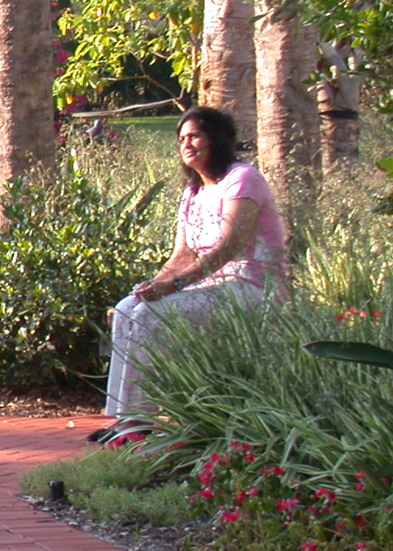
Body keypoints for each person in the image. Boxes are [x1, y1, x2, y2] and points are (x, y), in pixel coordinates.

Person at [93, 106, 288, 442]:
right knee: (129, 308)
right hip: (209, 285)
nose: (187, 144)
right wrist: (156, 283)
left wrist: (177, 283)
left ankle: (141, 422)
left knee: (151, 315)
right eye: (182, 138)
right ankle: (125, 418)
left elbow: (228, 247)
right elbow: (182, 254)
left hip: (251, 286)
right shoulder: (193, 192)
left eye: (195, 135)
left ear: (217, 138)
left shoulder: (242, 179)